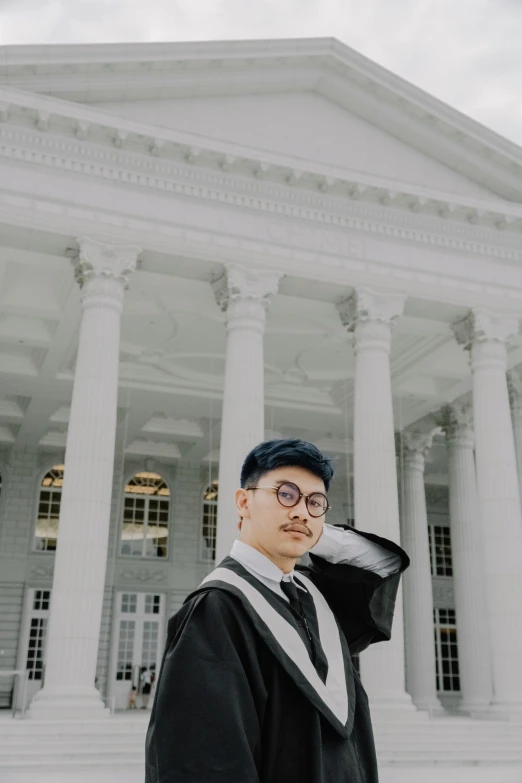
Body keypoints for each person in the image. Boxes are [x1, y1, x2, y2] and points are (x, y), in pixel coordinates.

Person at [145, 439, 409, 783]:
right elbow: (205, 766)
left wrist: (307, 526)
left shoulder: (314, 596)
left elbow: (382, 565)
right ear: (243, 502)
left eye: (315, 501)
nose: (301, 509)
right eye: (285, 494)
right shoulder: (216, 610)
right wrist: (297, 519)